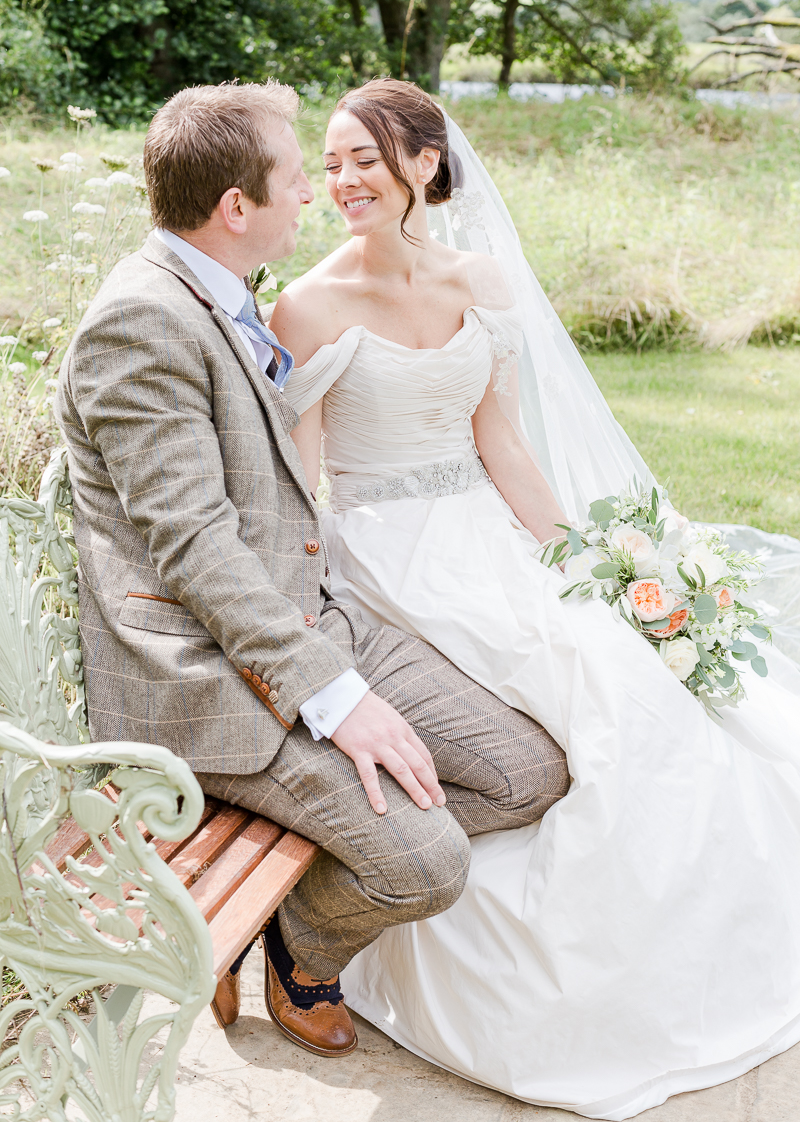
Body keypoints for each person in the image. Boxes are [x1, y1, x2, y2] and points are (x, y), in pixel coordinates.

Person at [270, 77, 800, 1119]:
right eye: (329, 164)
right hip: (385, 559)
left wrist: (587, 566)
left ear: (423, 163)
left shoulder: (479, 279)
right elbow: (304, 483)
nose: (341, 182)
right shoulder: (308, 301)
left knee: (643, 707)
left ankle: (665, 986)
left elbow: (500, 443)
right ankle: (334, 919)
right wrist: (323, 610)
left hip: (488, 536)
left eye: (362, 160)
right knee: (556, 742)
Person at [54, 81, 569, 1061]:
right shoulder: (141, 325)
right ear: (235, 208)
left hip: (314, 615)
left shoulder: (218, 292)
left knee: (525, 770)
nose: (317, 194)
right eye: (299, 176)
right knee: (428, 861)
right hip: (206, 678)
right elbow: (193, 544)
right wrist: (334, 695)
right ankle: (305, 952)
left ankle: (280, 908)